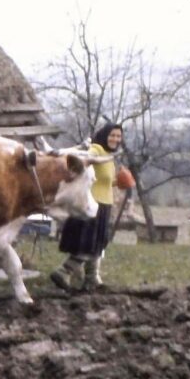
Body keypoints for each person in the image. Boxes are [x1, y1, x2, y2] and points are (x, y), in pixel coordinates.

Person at [50, 123, 123, 292]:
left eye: (118, 136)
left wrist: (118, 182)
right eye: (112, 135)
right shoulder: (97, 149)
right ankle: (63, 271)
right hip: (92, 205)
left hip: (105, 204)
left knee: (98, 243)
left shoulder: (109, 156)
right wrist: (79, 153)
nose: (115, 139)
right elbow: (87, 156)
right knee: (90, 244)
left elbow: (103, 181)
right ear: (105, 135)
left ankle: (92, 280)